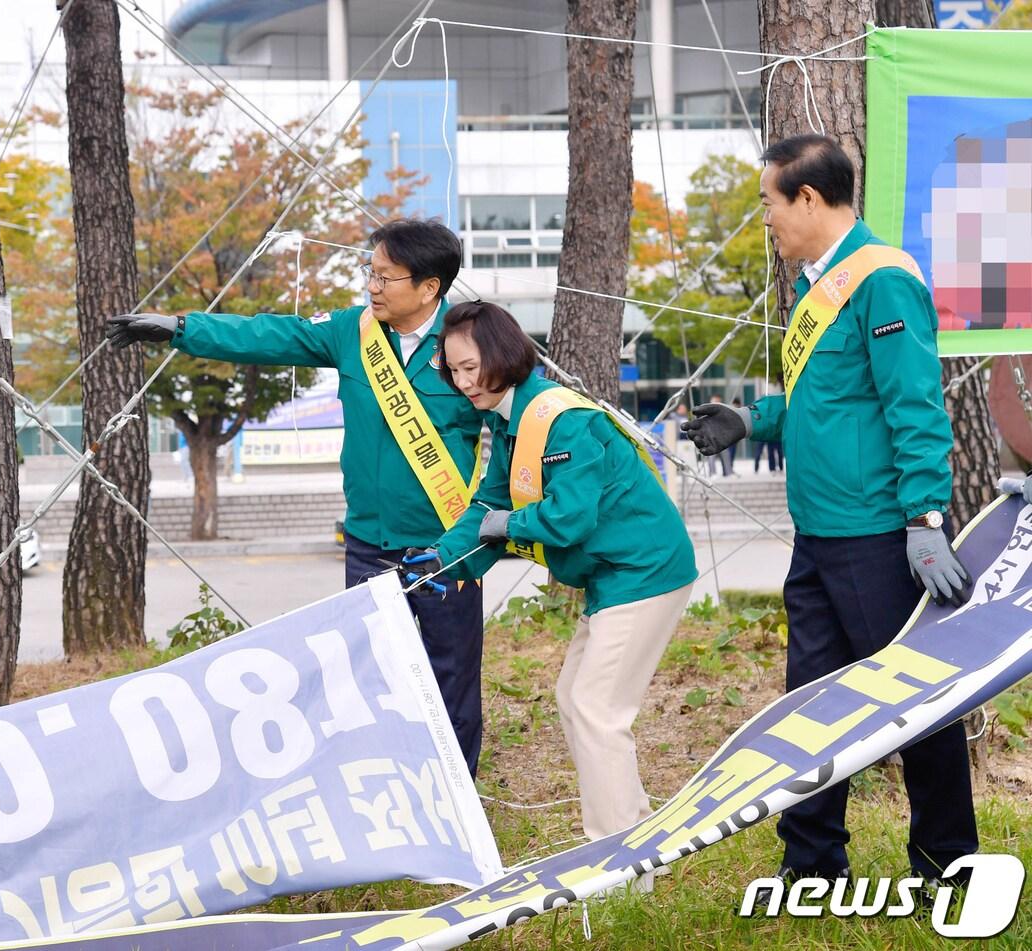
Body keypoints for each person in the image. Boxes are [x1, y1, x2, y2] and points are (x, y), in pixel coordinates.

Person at [682, 134, 977, 888]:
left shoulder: (880, 279)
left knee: (916, 708)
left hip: (879, 537)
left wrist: (924, 519)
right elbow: (828, 402)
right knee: (810, 706)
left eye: (769, 204)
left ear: (808, 199)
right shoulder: (818, 288)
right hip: (818, 535)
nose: (767, 221)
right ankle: (812, 861)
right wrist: (752, 421)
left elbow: (913, 404)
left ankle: (948, 865)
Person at [106, 219, 490, 773]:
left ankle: (458, 799)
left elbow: (508, 430)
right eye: (370, 273)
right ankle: (391, 790)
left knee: (452, 676)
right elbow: (268, 335)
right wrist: (179, 328)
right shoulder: (351, 331)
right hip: (368, 544)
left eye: (386, 277)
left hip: (445, 544)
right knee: (370, 678)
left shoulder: (470, 342)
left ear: (429, 287)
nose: (372, 287)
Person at [408, 301, 697, 853]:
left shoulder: (560, 417)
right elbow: (488, 504)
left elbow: (569, 518)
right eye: (454, 371)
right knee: (575, 699)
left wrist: (499, 526)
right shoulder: (511, 420)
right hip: (614, 576)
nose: (464, 382)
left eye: (472, 368)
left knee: (595, 708)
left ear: (503, 355)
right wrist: (438, 562)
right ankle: (637, 835)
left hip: (645, 571)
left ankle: (618, 864)